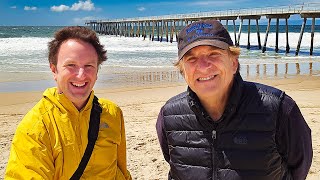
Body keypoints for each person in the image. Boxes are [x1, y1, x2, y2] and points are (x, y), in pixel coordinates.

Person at [156, 19, 312, 180]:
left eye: (213, 54)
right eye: (191, 59)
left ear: (234, 63)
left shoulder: (279, 109)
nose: (203, 66)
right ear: (182, 71)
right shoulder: (169, 116)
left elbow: (299, 167)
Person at [6, 26, 131, 179]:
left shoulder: (112, 113)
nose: (80, 75)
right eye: (71, 65)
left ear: (97, 71)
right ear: (54, 70)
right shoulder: (36, 127)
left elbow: (121, 171)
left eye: (89, 66)